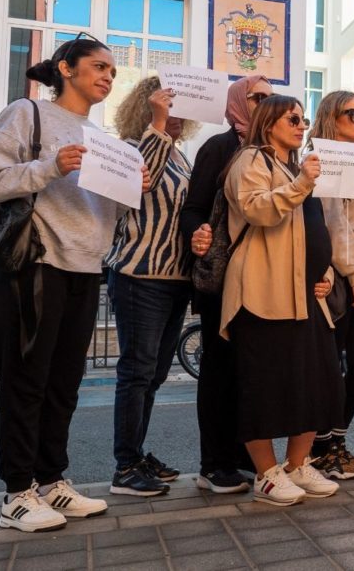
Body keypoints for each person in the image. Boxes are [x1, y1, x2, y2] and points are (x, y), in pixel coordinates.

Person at [0, 35, 139, 531]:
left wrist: (132, 189)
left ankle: (51, 482)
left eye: (112, 70)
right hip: (34, 264)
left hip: (86, 269)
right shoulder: (28, 113)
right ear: (66, 69)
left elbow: (102, 210)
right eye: (98, 66)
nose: (108, 76)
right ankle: (17, 494)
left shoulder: (102, 136)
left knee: (64, 384)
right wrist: (51, 166)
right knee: (26, 382)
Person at [221, 95, 342, 505]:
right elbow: (257, 210)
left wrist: (324, 270)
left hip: (307, 295)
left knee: (314, 382)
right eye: (292, 118)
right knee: (264, 385)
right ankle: (266, 474)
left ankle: (296, 466)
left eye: (303, 118)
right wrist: (303, 182)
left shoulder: (293, 167)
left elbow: (312, 228)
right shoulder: (251, 160)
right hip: (263, 291)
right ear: (269, 122)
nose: (300, 124)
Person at [180, 74, 273, 494]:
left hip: (262, 280)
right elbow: (194, 207)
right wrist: (197, 232)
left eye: (271, 98)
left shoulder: (275, 154)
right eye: (257, 97)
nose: (265, 104)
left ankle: (241, 456)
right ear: (238, 102)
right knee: (219, 371)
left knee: (250, 373)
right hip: (223, 281)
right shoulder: (218, 148)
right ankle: (212, 463)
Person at [106, 76, 198, 496]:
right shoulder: (129, 148)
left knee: (155, 374)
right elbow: (136, 185)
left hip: (174, 277)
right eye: (167, 106)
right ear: (148, 107)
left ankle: (138, 454)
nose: (177, 116)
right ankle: (125, 466)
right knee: (137, 372)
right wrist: (158, 124)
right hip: (139, 275)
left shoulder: (181, 156)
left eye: (180, 109)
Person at [304, 91, 354, 480]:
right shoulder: (327, 157)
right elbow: (335, 225)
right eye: (352, 113)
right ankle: (321, 447)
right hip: (338, 275)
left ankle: (335, 439)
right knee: (333, 366)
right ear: (330, 116)